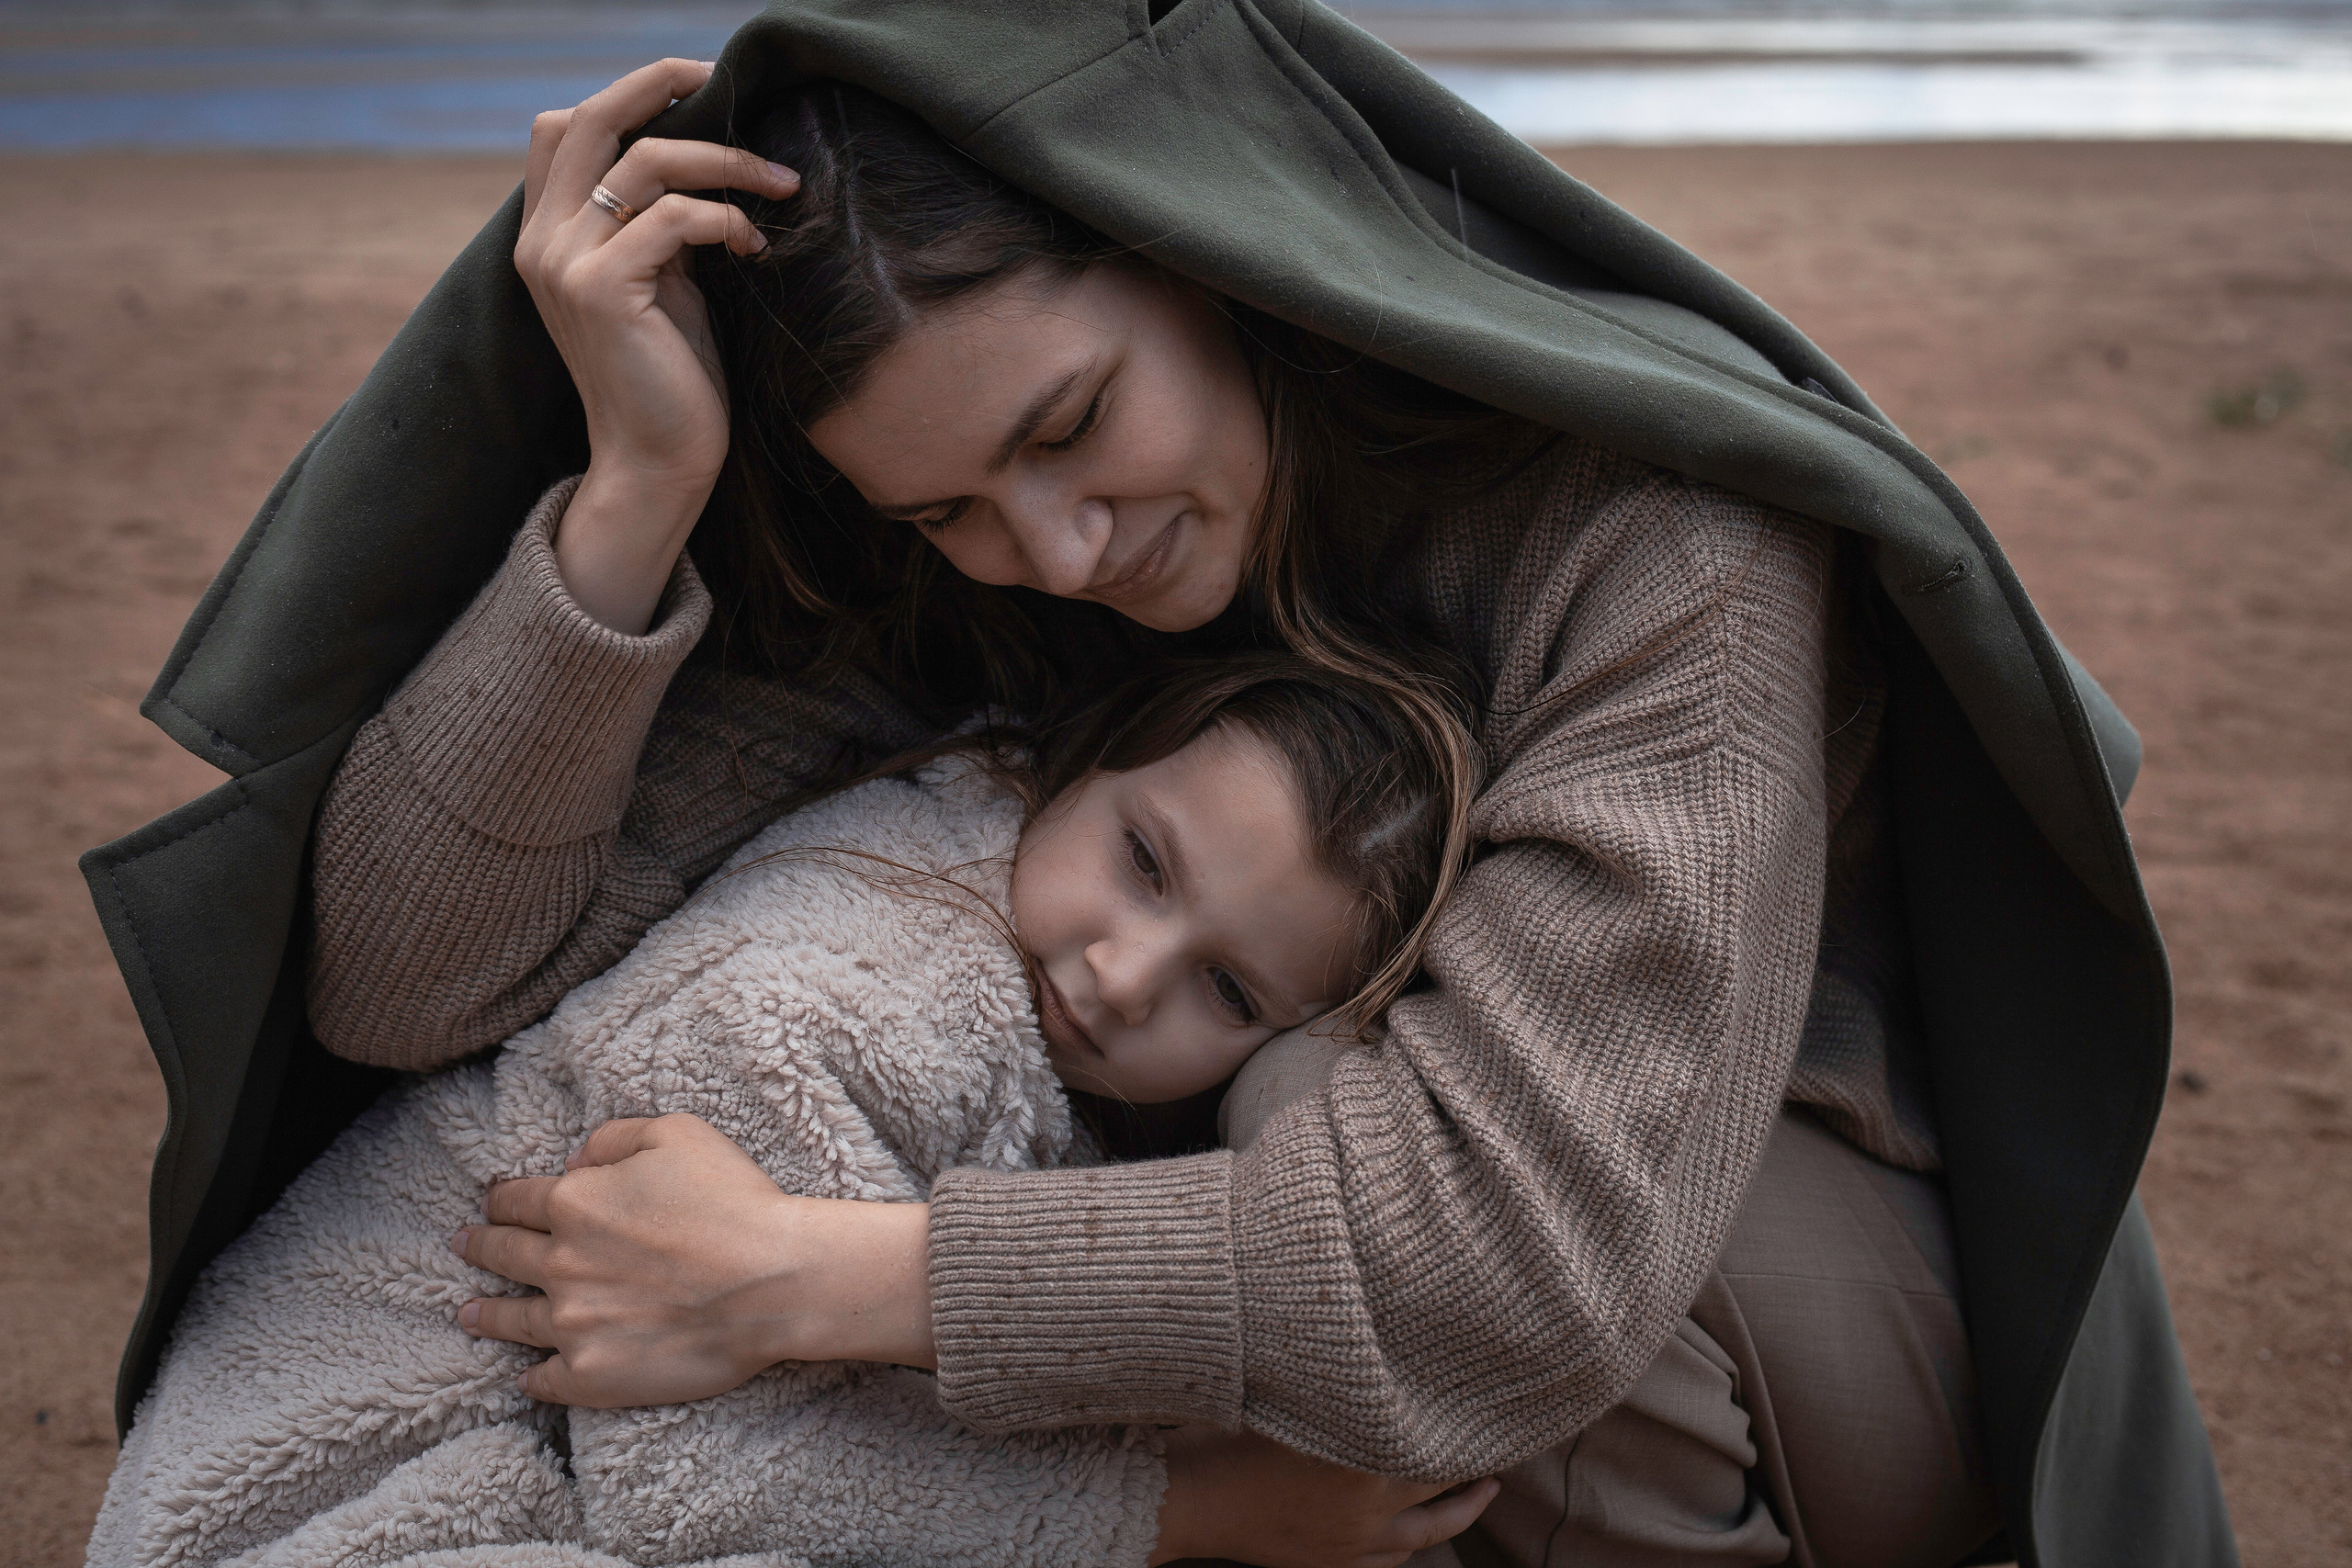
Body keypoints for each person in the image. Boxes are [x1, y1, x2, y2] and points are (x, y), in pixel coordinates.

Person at [83, 6, 2233, 1567]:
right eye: (949, 512)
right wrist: (640, 492)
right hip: (1278, 1350)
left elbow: (1502, 1285)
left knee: (1322, 1109)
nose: (1058, 551)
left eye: (1072, 421)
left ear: (1213, 250)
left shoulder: (1653, 540)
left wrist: (810, 1275)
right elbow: (403, 979)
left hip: (1788, 1315)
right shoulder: (995, 588)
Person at [92, 655, 1493, 1568]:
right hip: (331, 1516)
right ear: (1089, 754)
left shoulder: (988, 922)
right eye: (1142, 861)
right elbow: (695, 1495)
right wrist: (1202, 1512)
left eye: (1232, 996)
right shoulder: (834, 1004)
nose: (1127, 976)